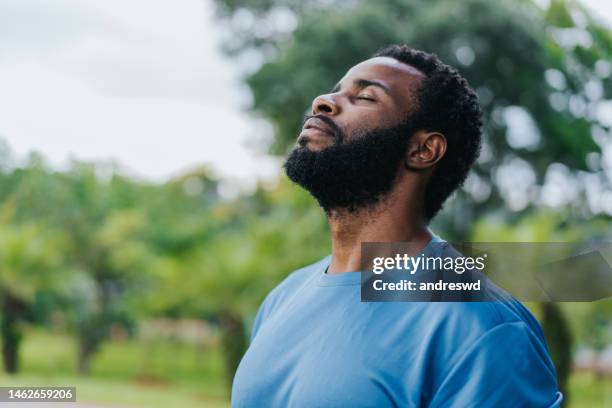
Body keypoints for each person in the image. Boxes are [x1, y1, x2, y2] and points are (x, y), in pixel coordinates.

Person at [231, 44, 563, 407]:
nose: (323, 101)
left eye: (365, 96)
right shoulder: (284, 298)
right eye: (336, 89)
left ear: (423, 150)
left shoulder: (483, 325)